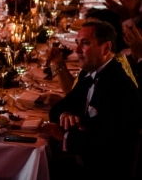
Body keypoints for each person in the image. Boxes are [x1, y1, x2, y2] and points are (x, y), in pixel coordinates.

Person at [47, 21, 142, 178]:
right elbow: (58, 108)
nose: (77, 50)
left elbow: (109, 143)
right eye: (77, 43)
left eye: (85, 43)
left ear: (106, 48)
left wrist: (65, 137)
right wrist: (65, 116)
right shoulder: (89, 74)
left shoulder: (119, 86)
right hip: (85, 161)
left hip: (103, 171)